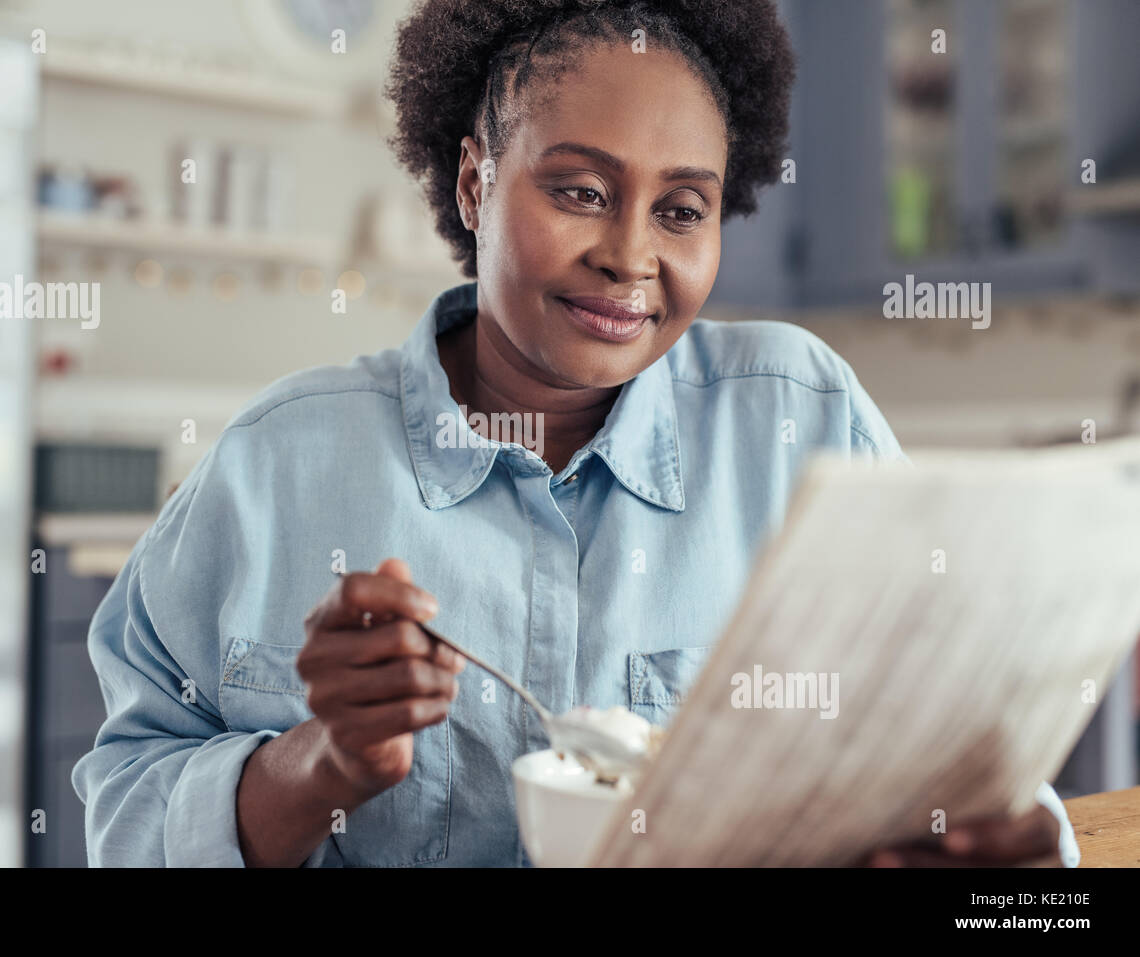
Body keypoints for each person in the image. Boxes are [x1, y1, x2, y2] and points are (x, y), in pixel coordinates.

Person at [73, 0, 1077, 867]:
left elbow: (942, 748)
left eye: (682, 210)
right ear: (474, 185)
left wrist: (1011, 846)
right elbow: (126, 819)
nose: (630, 254)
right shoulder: (277, 465)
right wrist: (325, 761)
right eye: (580, 192)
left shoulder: (801, 420)